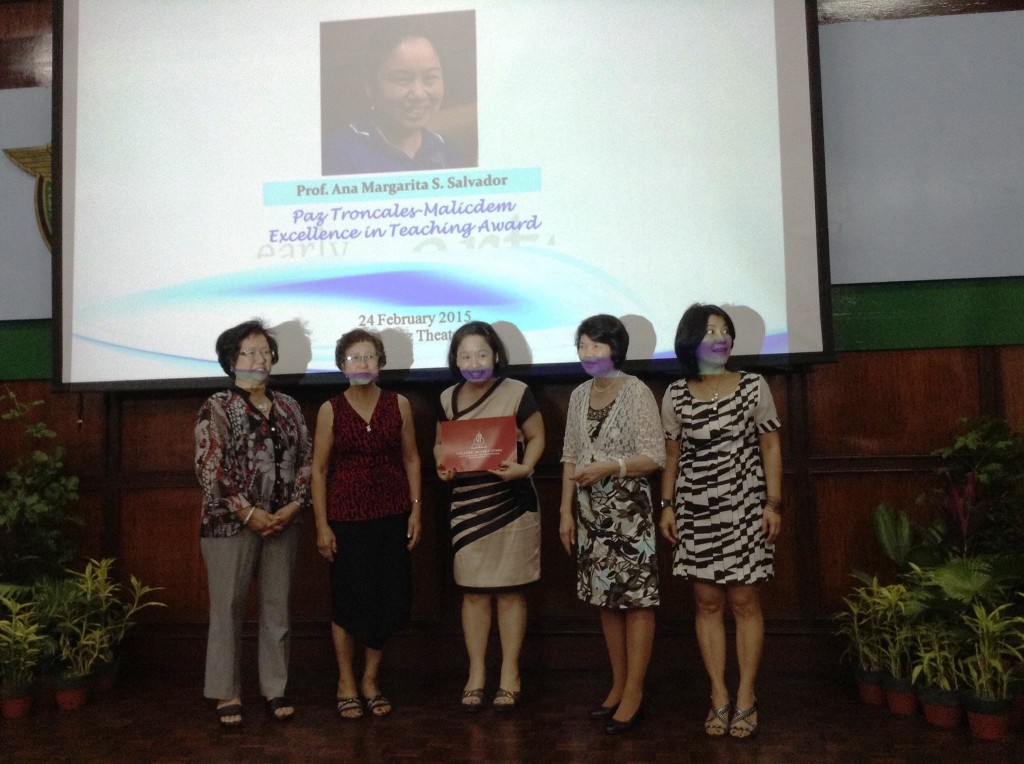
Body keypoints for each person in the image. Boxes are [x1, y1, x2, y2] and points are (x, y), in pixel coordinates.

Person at [658, 303, 782, 740]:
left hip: (747, 507)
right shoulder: (674, 394)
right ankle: (719, 695)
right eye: (710, 330)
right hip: (694, 510)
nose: (720, 336)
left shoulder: (753, 385)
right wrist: (667, 505)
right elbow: (672, 456)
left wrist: (773, 503)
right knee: (707, 603)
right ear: (691, 339)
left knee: (745, 603)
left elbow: (769, 446)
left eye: (725, 330)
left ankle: (746, 696)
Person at [194, 319, 312, 728]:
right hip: (230, 526)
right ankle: (227, 691)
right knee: (227, 610)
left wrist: (295, 505)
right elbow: (210, 467)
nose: (259, 358)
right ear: (231, 360)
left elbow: (306, 462)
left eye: (265, 351)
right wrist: (247, 511)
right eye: (249, 351)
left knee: (277, 610)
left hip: (283, 522)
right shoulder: (217, 406)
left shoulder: (290, 407)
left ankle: (274, 688)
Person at [559, 314, 665, 734]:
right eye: (582, 345)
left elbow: (654, 455)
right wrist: (564, 511)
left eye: (597, 346)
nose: (589, 353)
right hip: (589, 513)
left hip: (629, 513)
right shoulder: (579, 394)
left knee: (636, 600)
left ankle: (636, 691)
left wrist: (610, 466)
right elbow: (569, 454)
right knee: (605, 601)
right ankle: (618, 684)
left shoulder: (635, 391)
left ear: (615, 349)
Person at [311, 329, 422, 720]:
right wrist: (322, 526)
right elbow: (319, 470)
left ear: (380, 363)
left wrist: (415, 510)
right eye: (354, 358)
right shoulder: (331, 409)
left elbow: (411, 459)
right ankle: (345, 682)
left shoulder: (399, 404)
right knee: (348, 602)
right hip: (346, 519)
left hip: (392, 516)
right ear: (342, 365)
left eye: (370, 357)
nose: (363, 364)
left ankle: (371, 680)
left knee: (387, 600)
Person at [434, 321, 544, 713]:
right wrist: (442, 467)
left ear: (496, 355)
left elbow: (537, 437)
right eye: (465, 355)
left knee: (511, 592)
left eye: (481, 354)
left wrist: (526, 467)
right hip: (468, 505)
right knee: (474, 592)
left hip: (511, 502)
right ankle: (477, 673)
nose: (474, 362)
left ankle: (510, 674)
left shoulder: (517, 392)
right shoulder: (447, 396)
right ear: (456, 359)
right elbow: (439, 444)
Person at [322, 25, 461, 175]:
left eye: (429, 78)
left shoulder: (445, 150)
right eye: (402, 79)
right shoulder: (337, 153)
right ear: (370, 85)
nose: (419, 94)